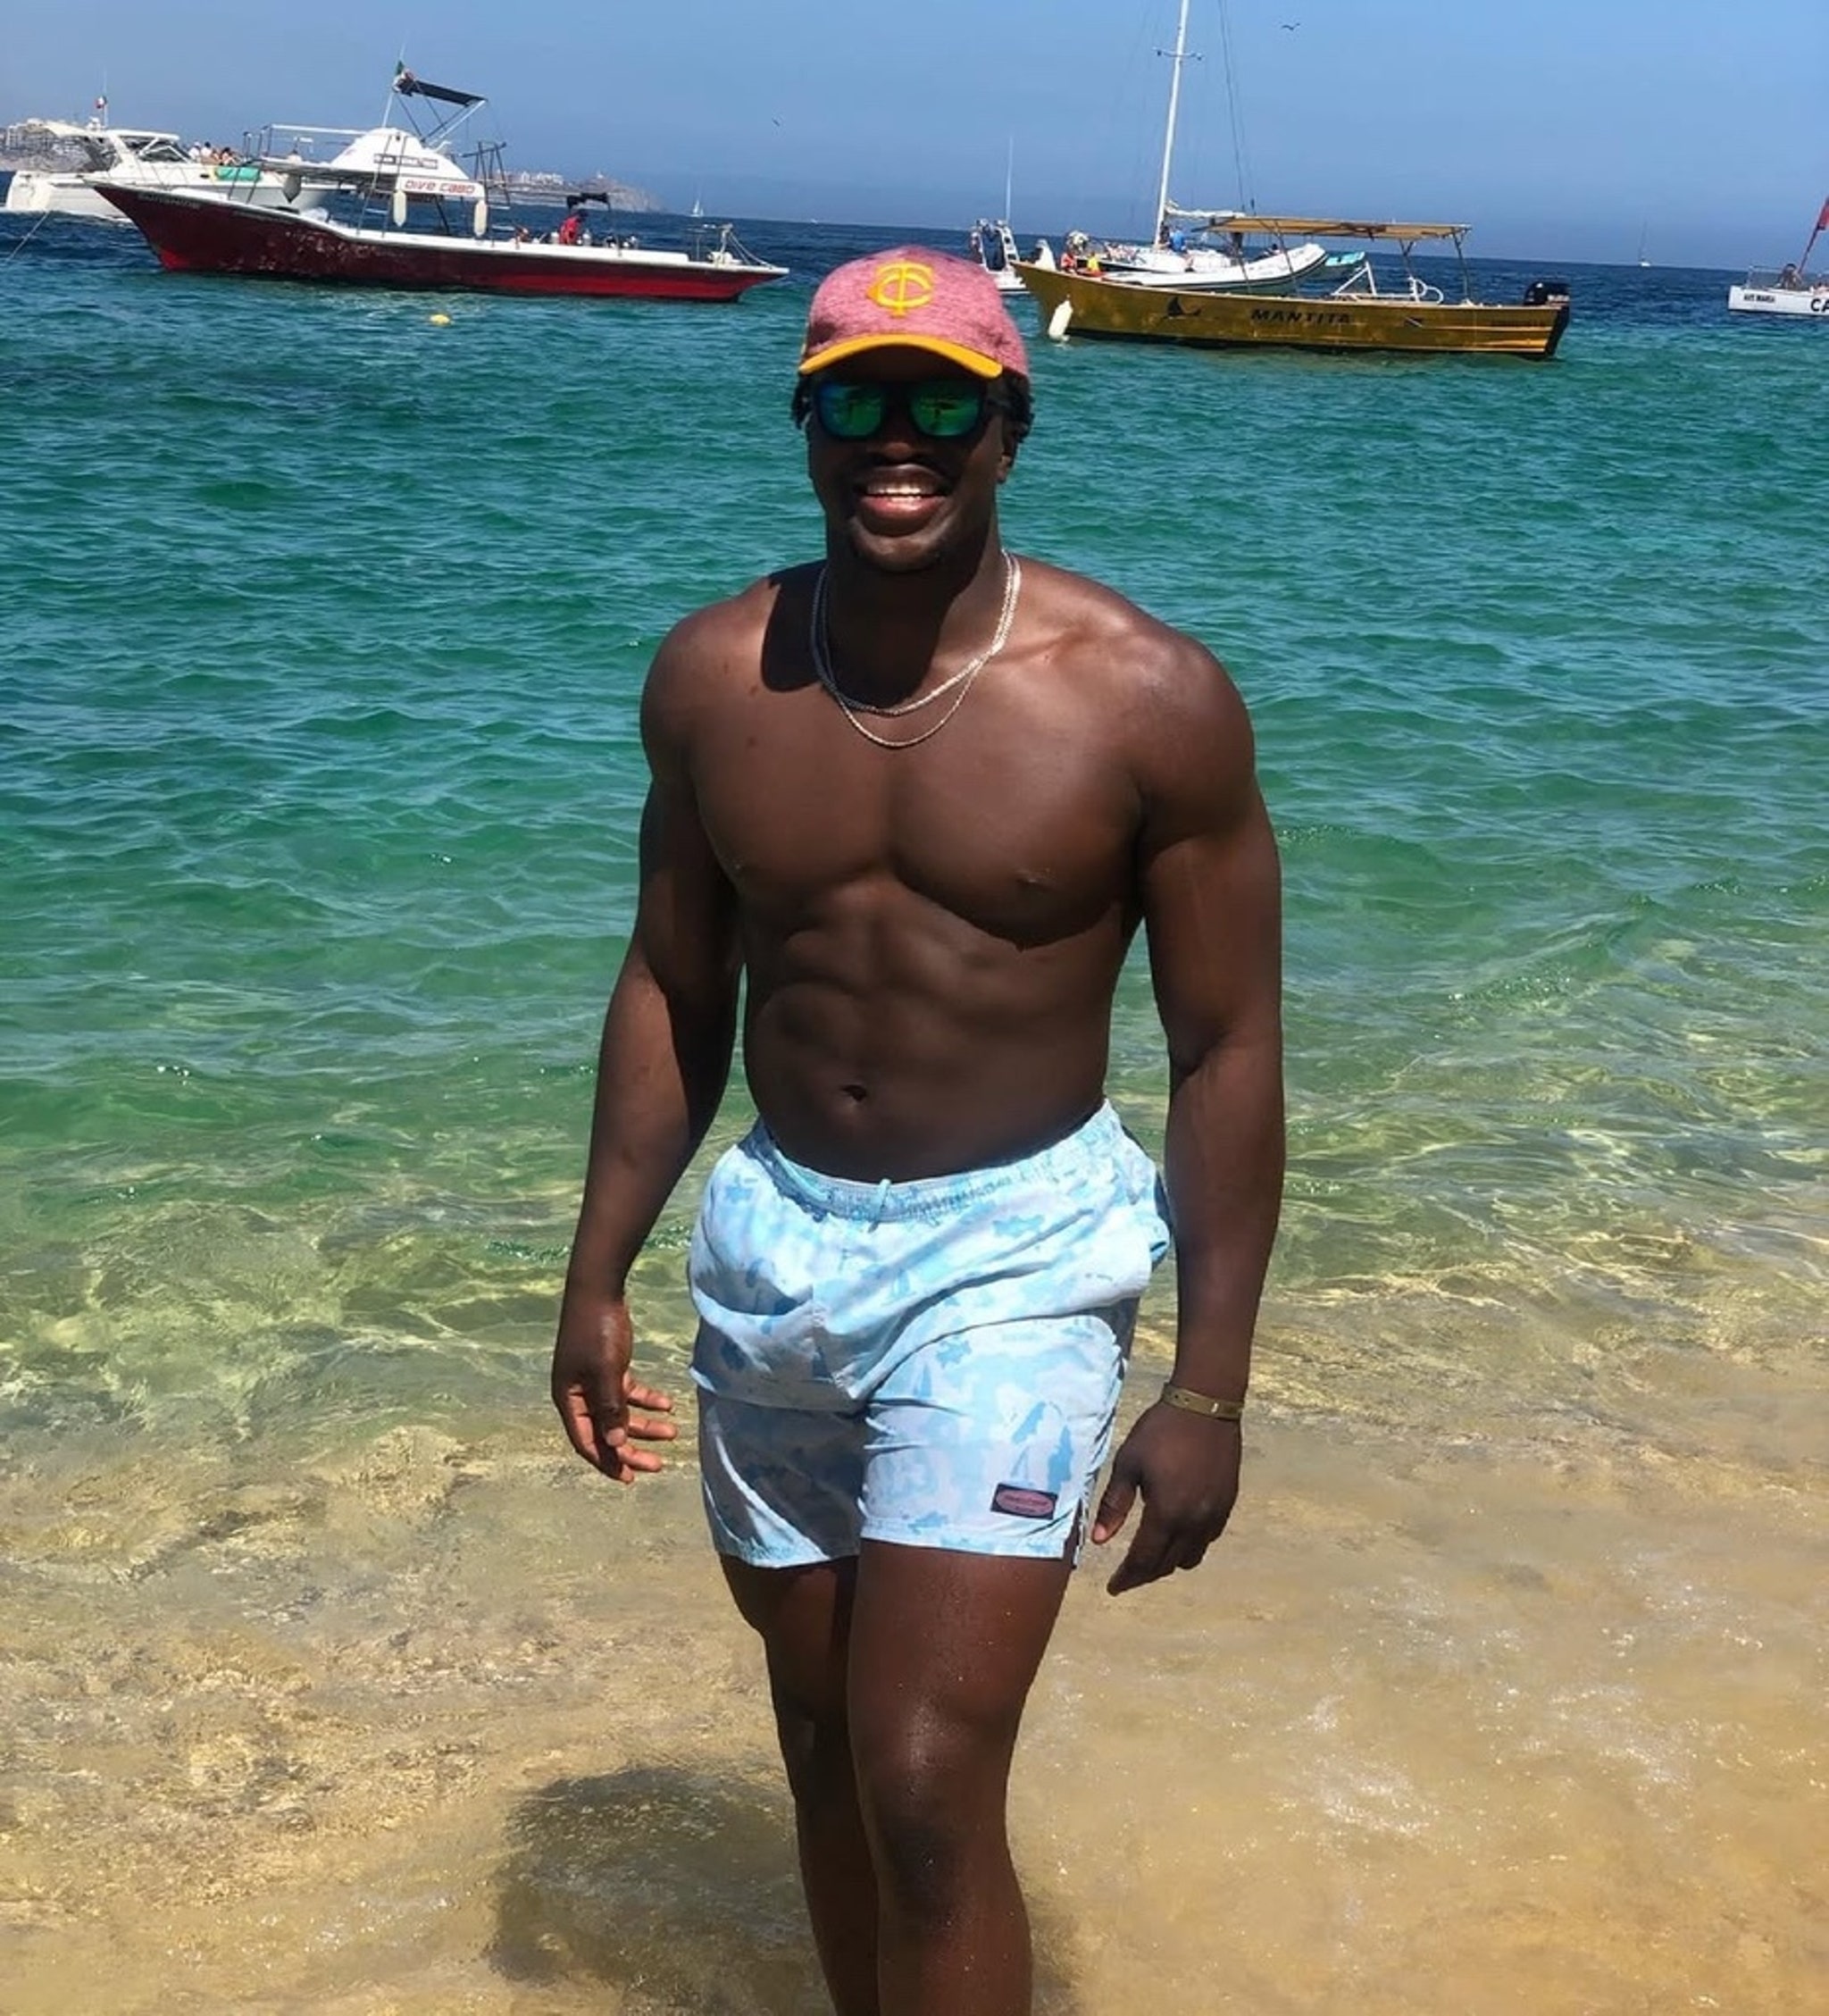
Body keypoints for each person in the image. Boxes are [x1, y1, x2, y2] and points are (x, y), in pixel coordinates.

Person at [551, 246, 1284, 2015]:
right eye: (856, 401)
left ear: (1011, 429)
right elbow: (673, 984)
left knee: (927, 1777)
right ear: (804, 427)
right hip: (777, 1247)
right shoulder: (713, 678)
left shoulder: (1147, 698)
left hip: (1019, 1255)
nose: (899, 438)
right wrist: (595, 1272)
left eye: (943, 404)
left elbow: (1224, 1046)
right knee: (822, 1747)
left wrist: (1207, 1389)